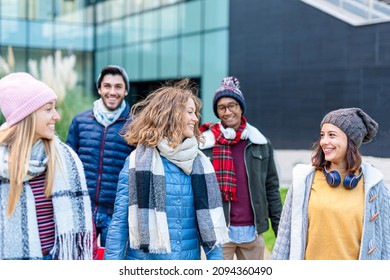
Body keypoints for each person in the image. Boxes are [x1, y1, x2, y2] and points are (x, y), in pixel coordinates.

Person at [104, 78, 229, 260]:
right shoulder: (137, 163)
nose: (195, 119)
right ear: (172, 114)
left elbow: (210, 227)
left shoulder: (199, 165)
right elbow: (119, 225)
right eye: (190, 112)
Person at [272, 108, 390, 260]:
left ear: (351, 141)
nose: (324, 142)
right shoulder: (304, 179)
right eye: (322, 135)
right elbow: (284, 237)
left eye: (332, 135)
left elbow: (386, 241)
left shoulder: (374, 185)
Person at [0, 72, 94, 260]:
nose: (57, 116)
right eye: (48, 109)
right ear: (27, 116)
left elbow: (84, 225)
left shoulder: (65, 158)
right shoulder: (3, 164)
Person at [199, 76, 282, 260]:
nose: (227, 112)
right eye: (222, 107)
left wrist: (280, 231)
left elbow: (272, 189)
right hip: (220, 233)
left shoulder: (260, 142)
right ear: (217, 112)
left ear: (240, 107)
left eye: (232, 105)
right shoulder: (205, 144)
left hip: (253, 233)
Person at [66, 65, 135, 247]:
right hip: (83, 207)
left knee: (113, 263)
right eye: (107, 86)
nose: (112, 92)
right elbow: (67, 164)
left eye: (118, 86)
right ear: (99, 89)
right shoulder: (80, 121)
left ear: (126, 90)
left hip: (117, 211)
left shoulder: (135, 126)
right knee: (81, 259)